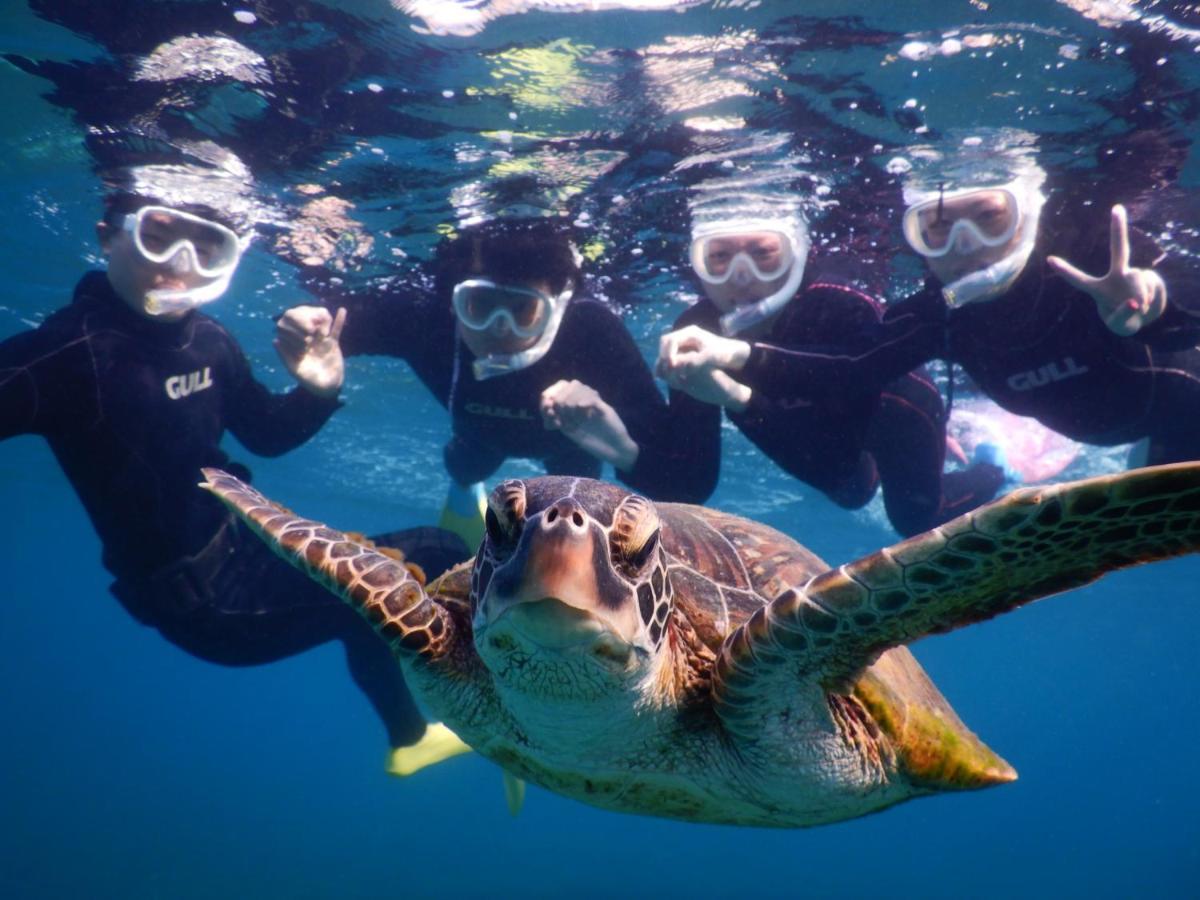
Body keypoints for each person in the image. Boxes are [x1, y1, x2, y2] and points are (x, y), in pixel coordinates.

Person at [0, 192, 470, 775]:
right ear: (107, 238)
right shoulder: (64, 354)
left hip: (253, 551)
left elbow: (266, 436)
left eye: (207, 247)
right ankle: (435, 726)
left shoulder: (210, 340)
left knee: (438, 557)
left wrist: (317, 392)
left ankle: (427, 726)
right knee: (400, 578)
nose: (180, 262)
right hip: (211, 609)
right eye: (159, 236)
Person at [655, 130, 1200, 471]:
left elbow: (1183, 329)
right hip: (1103, 426)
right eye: (937, 229)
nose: (965, 248)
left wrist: (1157, 312)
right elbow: (849, 367)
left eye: (989, 219)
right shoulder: (939, 317)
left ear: (1029, 216)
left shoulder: (1094, 267)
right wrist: (730, 354)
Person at [278, 217, 671, 544]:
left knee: (574, 499)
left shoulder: (592, 330)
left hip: (572, 446)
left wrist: (620, 444)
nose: (499, 329)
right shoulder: (426, 318)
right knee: (467, 466)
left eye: (524, 310)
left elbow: (669, 460)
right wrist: (307, 323)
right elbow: (335, 322)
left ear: (556, 306)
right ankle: (466, 490)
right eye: (479, 306)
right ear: (454, 301)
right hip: (476, 438)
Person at [654, 210, 1005, 535]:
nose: (741, 277)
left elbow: (836, 448)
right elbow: (688, 473)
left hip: (898, 414)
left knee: (916, 521)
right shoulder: (694, 329)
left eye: (763, 254)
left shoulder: (839, 303)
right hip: (812, 427)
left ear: (794, 255)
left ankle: (994, 464)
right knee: (853, 494)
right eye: (718, 257)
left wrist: (736, 389)